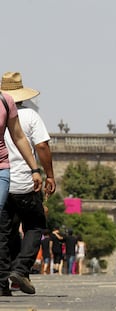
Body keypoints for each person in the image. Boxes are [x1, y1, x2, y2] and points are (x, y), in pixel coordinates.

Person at [0, 72, 50, 296]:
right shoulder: (30, 116)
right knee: (35, 225)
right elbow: (41, 147)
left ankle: (2, 282)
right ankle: (21, 268)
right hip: (23, 182)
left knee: (5, 231)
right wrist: (47, 173)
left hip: (4, 180)